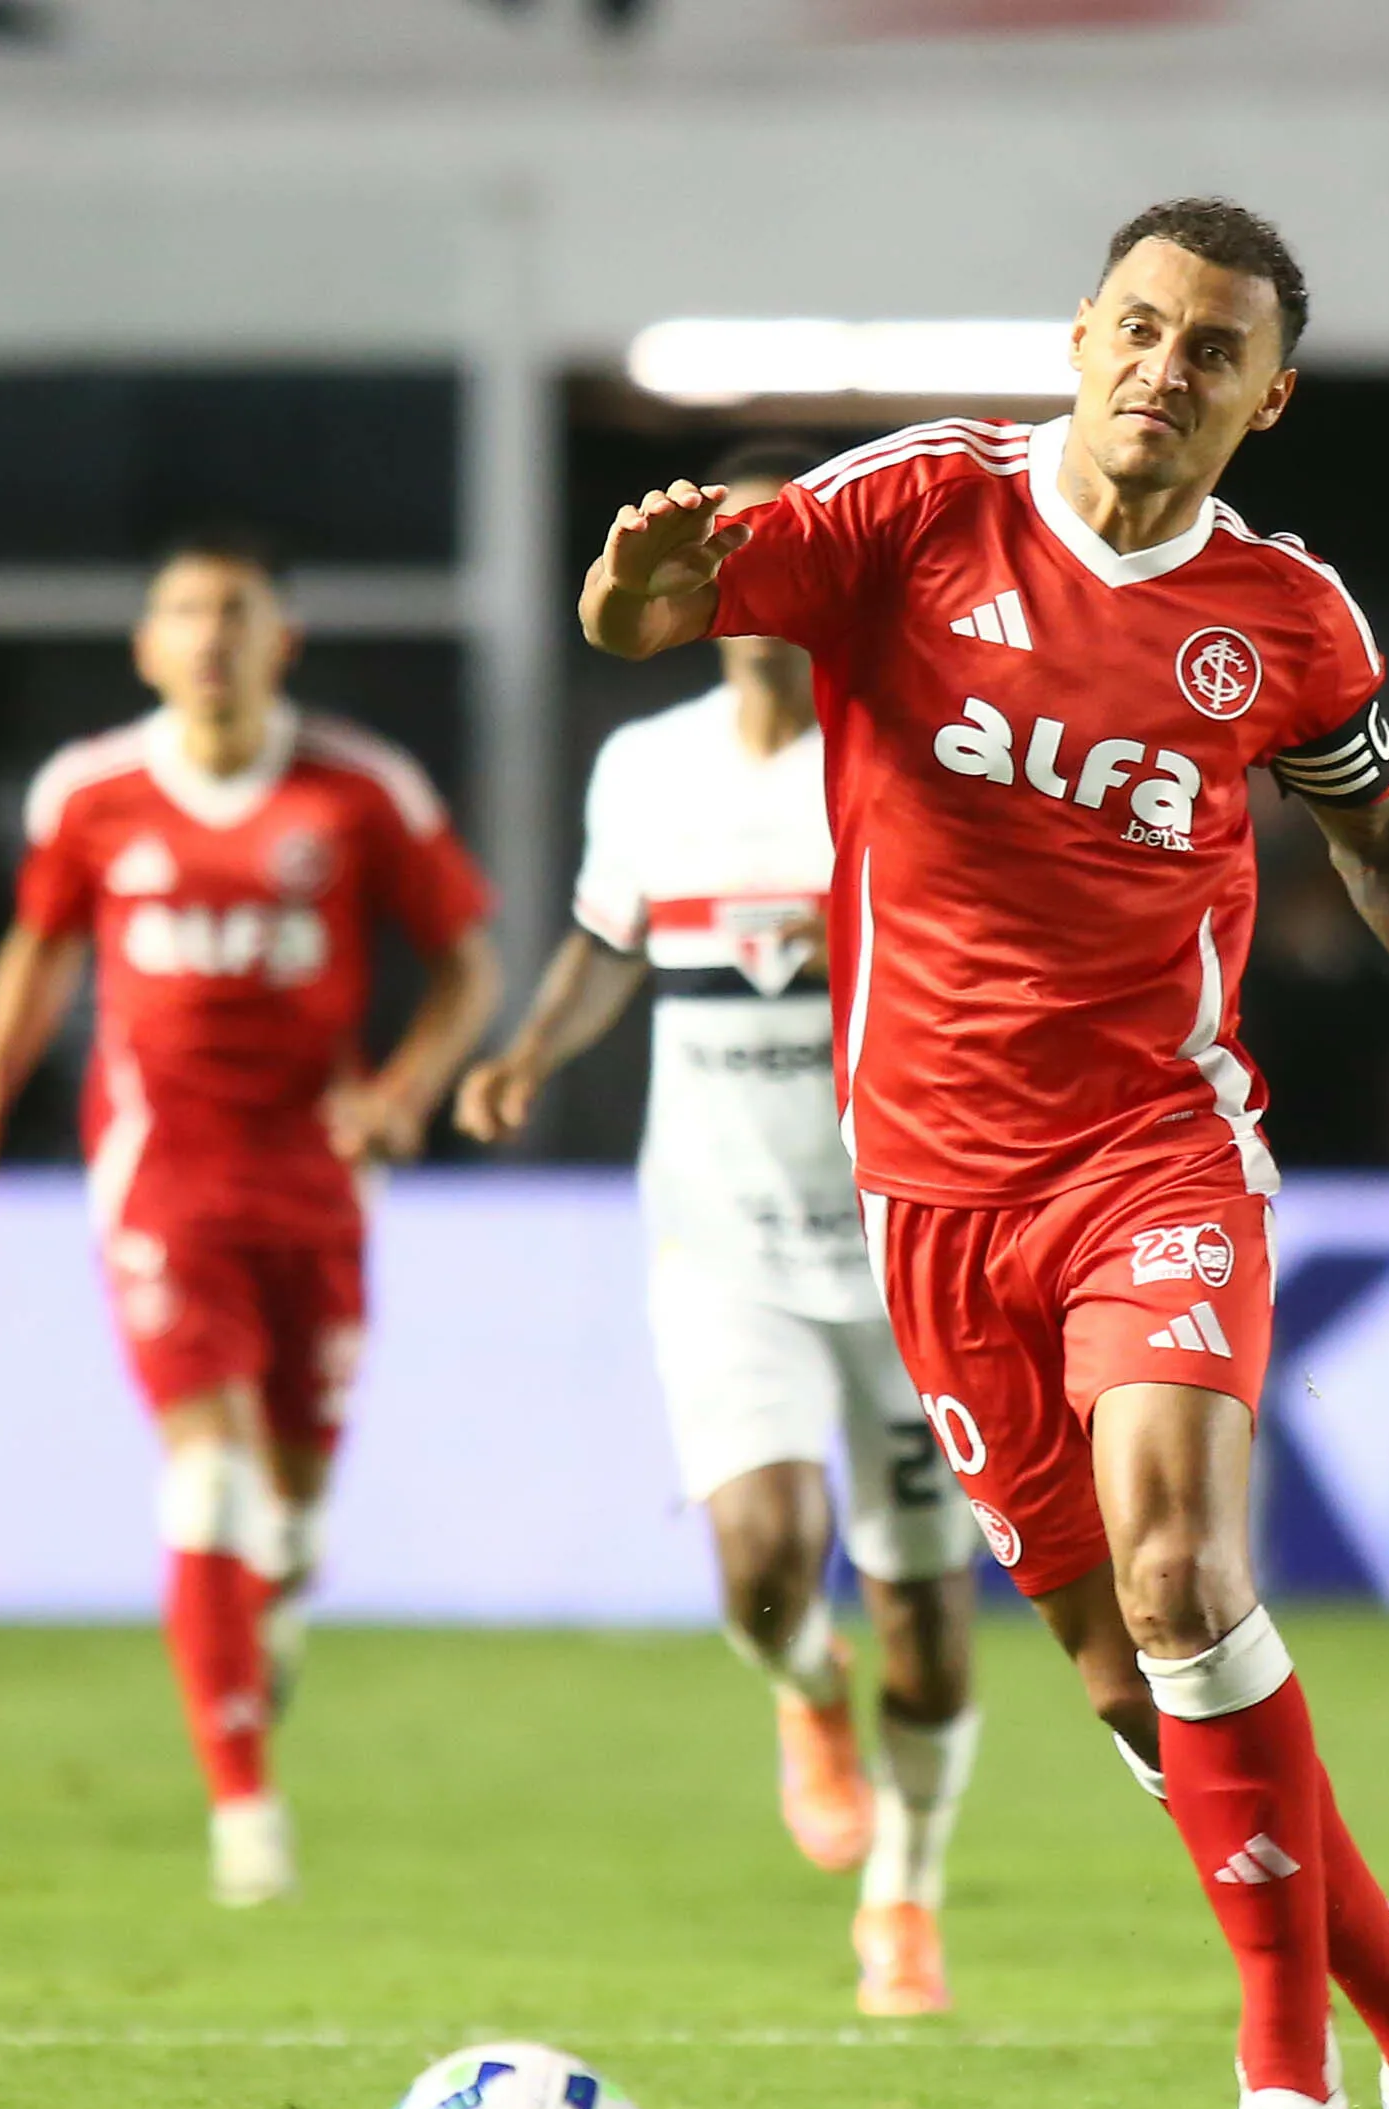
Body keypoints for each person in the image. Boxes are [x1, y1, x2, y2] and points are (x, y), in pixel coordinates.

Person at [578, 196, 1389, 2109]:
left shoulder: (1282, 620)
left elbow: (1385, 840)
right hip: (930, 1190)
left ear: (1265, 394)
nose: (1163, 366)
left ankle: (1285, 2087)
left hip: (1155, 1155)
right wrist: (626, 585)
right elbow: (662, 613)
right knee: (1131, 1685)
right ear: (1079, 336)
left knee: (1179, 1574)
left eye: (1211, 348)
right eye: (1137, 326)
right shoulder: (910, 513)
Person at [455, 464, 985, 2018]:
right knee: (760, 1567)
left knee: (930, 1615)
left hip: (905, 1239)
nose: (744, 573)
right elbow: (611, 941)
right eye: (721, 547)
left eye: (768, 541)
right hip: (718, 1234)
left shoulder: (908, 748)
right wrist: (528, 1052)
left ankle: (905, 1891)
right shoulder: (646, 765)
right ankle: (803, 1698)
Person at [0, 534, 499, 1908]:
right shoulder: (93, 792)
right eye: (182, 612)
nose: (208, 635)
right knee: (207, 1475)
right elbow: (44, 945)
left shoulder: (359, 790)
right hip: (161, 1175)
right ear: (145, 645)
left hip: (313, 1181)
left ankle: (277, 1594)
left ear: (278, 640)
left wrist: (405, 1086)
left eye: (234, 612)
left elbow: (466, 957)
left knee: (291, 1507)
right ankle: (244, 1806)